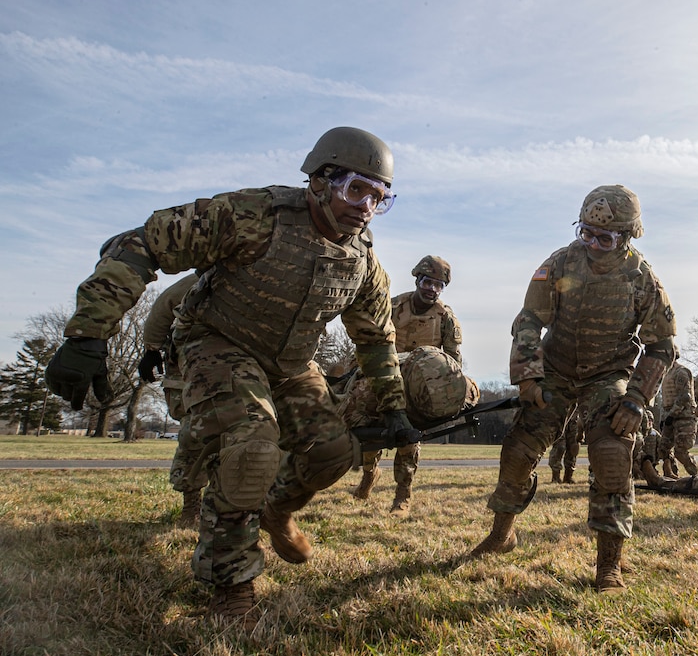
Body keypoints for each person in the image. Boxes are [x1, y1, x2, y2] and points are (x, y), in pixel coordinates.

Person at [44, 126, 414, 627]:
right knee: (252, 447)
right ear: (320, 182)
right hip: (217, 342)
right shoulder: (254, 216)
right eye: (356, 190)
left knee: (333, 453)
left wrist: (392, 406)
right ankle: (232, 590)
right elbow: (144, 242)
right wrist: (88, 334)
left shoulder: (363, 263)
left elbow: (376, 338)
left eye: (380, 197)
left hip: (289, 364)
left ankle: (276, 512)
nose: (367, 206)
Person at [468, 184, 676, 593]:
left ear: (628, 237)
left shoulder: (642, 278)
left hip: (608, 373)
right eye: (586, 233)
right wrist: (529, 374)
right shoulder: (561, 263)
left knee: (612, 453)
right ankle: (502, 534)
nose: (594, 244)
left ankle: (609, 566)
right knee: (518, 450)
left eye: (606, 238)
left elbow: (662, 345)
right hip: (557, 369)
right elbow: (529, 320)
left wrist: (636, 400)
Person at [351, 255, 463, 515]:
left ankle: (403, 495)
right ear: (417, 280)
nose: (432, 290)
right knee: (370, 433)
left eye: (438, 285)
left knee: (408, 440)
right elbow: (368, 342)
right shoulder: (391, 307)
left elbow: (452, 365)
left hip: (418, 391)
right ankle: (370, 474)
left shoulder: (446, 319)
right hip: (383, 382)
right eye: (427, 282)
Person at [137, 272, 205, 527]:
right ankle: (192, 506)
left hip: (238, 370)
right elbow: (163, 307)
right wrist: (151, 350)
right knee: (193, 434)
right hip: (188, 370)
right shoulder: (201, 280)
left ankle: (230, 506)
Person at [659, 351, 698, 477]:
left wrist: (672, 414)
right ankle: (671, 475)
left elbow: (684, 396)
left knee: (680, 451)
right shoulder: (665, 373)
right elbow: (665, 399)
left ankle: (695, 475)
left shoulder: (680, 372)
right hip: (670, 415)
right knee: (663, 448)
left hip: (684, 415)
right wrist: (664, 418)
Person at [547, 404, 584, 483]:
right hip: (560, 417)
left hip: (575, 420)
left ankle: (568, 477)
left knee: (573, 448)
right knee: (560, 447)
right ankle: (555, 477)